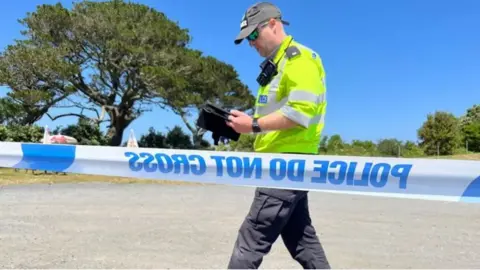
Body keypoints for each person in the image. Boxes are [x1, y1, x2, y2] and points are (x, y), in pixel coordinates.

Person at [225, 2, 331, 269]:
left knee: (250, 241)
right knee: (302, 239)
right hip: (284, 164)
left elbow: (300, 113)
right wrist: (243, 124)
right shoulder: (277, 65)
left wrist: (253, 125)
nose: (251, 43)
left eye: (252, 35)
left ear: (272, 24)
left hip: (285, 165)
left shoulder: (300, 59)